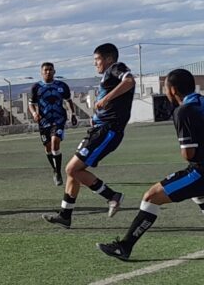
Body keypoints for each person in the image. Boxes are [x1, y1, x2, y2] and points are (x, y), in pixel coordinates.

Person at [97, 69, 204, 260]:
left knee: (151, 197)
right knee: (199, 194)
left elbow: (189, 154)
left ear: (172, 90)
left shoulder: (184, 111)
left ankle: (125, 246)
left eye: (165, 87)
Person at [43, 43, 135, 228]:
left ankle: (112, 196)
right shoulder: (108, 77)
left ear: (108, 59)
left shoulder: (115, 68)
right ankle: (65, 215)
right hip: (99, 129)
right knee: (73, 172)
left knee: (72, 169)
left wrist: (105, 99)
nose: (95, 64)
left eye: (97, 60)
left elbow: (130, 81)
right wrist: (96, 116)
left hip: (108, 131)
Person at [29, 62, 77, 186]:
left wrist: (72, 114)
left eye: (50, 69)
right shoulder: (36, 87)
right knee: (48, 147)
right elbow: (31, 104)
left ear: (54, 71)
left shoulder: (61, 86)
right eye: (45, 70)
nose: (48, 72)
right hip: (44, 121)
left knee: (55, 142)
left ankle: (58, 173)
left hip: (59, 119)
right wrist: (34, 113)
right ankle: (55, 170)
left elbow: (68, 100)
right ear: (41, 72)